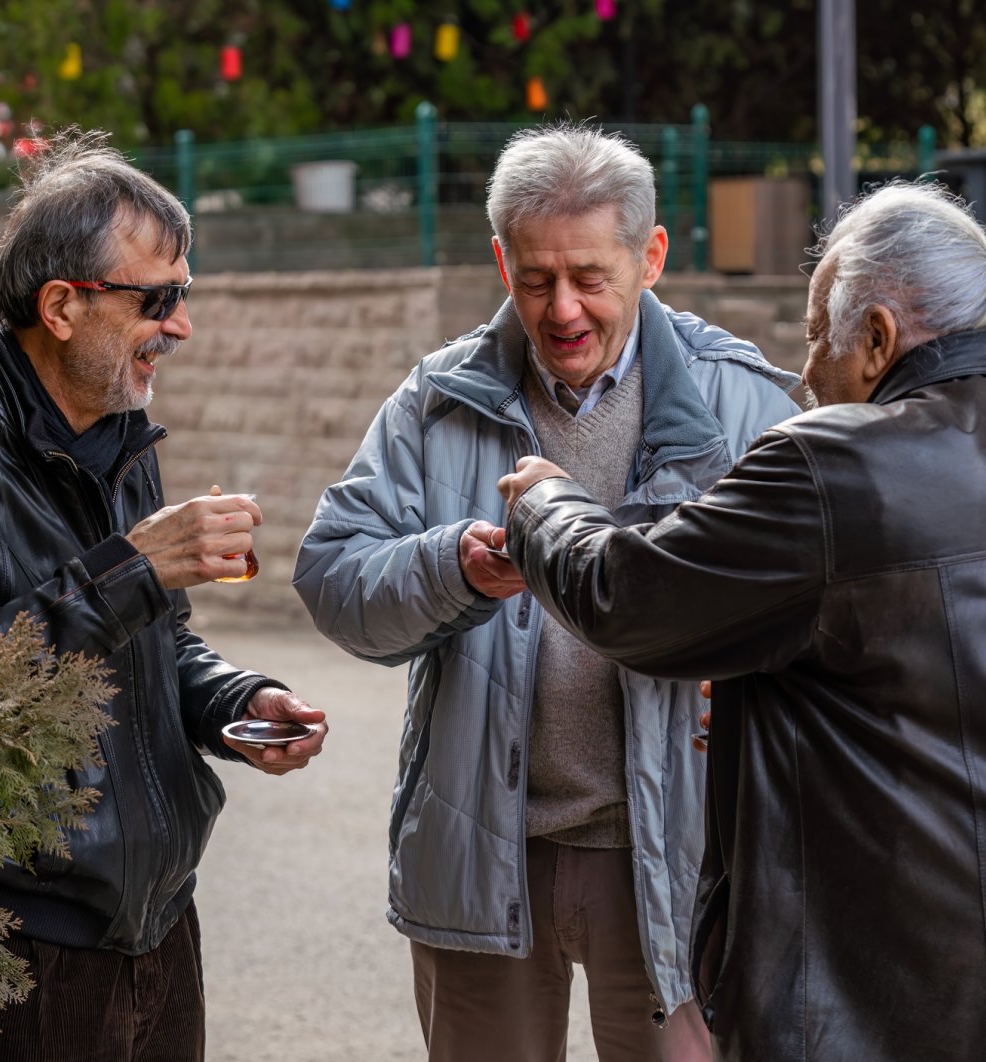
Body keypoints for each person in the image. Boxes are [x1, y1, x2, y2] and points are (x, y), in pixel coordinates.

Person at [497, 181, 986, 1061]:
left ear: (878, 337)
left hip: (910, 1007)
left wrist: (549, 505)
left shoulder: (835, 465)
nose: (805, 371)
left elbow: (626, 596)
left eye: (819, 332)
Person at [294, 123, 799, 1061]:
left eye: (590, 278)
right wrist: (453, 567)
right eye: (534, 280)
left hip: (679, 869)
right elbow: (330, 575)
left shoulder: (751, 408)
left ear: (650, 256)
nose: (562, 309)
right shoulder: (433, 401)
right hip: (484, 852)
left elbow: (820, 611)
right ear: (500, 262)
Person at [0, 130, 328, 1062]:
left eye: (185, 294)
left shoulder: (116, 427)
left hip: (159, 927)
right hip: (16, 953)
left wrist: (233, 701)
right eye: (159, 298)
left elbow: (157, 644)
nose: (181, 324)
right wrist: (132, 569)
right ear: (62, 305)